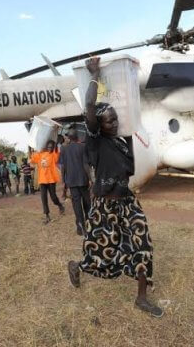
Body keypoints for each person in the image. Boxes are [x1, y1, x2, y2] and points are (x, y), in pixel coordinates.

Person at [67, 57, 163, 318]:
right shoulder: (96, 142)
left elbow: (128, 171)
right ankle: (76, 266)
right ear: (98, 125)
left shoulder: (123, 143)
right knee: (100, 255)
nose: (114, 123)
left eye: (115, 119)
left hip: (127, 203)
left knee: (142, 245)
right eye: (109, 121)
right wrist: (94, 75)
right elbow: (89, 106)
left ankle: (141, 298)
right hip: (104, 206)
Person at [60, 128, 91, 235]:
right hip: (83, 180)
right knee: (87, 203)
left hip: (71, 181)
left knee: (76, 204)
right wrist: (91, 179)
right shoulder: (83, 147)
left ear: (69, 138)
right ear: (77, 137)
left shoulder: (64, 149)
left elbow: (63, 166)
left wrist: (63, 180)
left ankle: (80, 228)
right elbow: (86, 164)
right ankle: (89, 224)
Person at [30, 141, 65, 224]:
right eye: (48, 147)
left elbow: (56, 150)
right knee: (43, 198)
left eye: (51, 147)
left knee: (53, 197)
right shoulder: (40, 154)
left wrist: (56, 140)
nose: (50, 148)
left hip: (51, 180)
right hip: (42, 180)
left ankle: (60, 205)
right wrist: (31, 146)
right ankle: (47, 215)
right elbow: (32, 159)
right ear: (46, 146)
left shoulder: (53, 155)